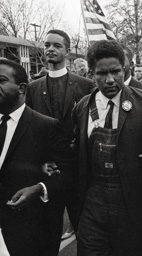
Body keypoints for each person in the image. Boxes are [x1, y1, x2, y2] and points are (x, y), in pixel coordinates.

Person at [72, 40, 142, 256]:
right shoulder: (82, 107)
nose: (110, 80)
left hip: (131, 204)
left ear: (124, 68)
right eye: (102, 73)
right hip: (94, 203)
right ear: (92, 73)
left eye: (115, 72)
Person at [26, 29, 95, 249]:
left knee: (85, 234)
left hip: (77, 171)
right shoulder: (33, 87)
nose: (50, 50)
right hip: (48, 173)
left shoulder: (84, 86)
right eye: (47, 45)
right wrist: (42, 161)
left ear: (67, 51)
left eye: (56, 46)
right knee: (47, 237)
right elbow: (30, 129)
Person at [0, 59, 74, 256]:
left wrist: (38, 189)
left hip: (25, 232)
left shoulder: (45, 127)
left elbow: (69, 174)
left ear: (22, 88)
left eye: (1, 80)